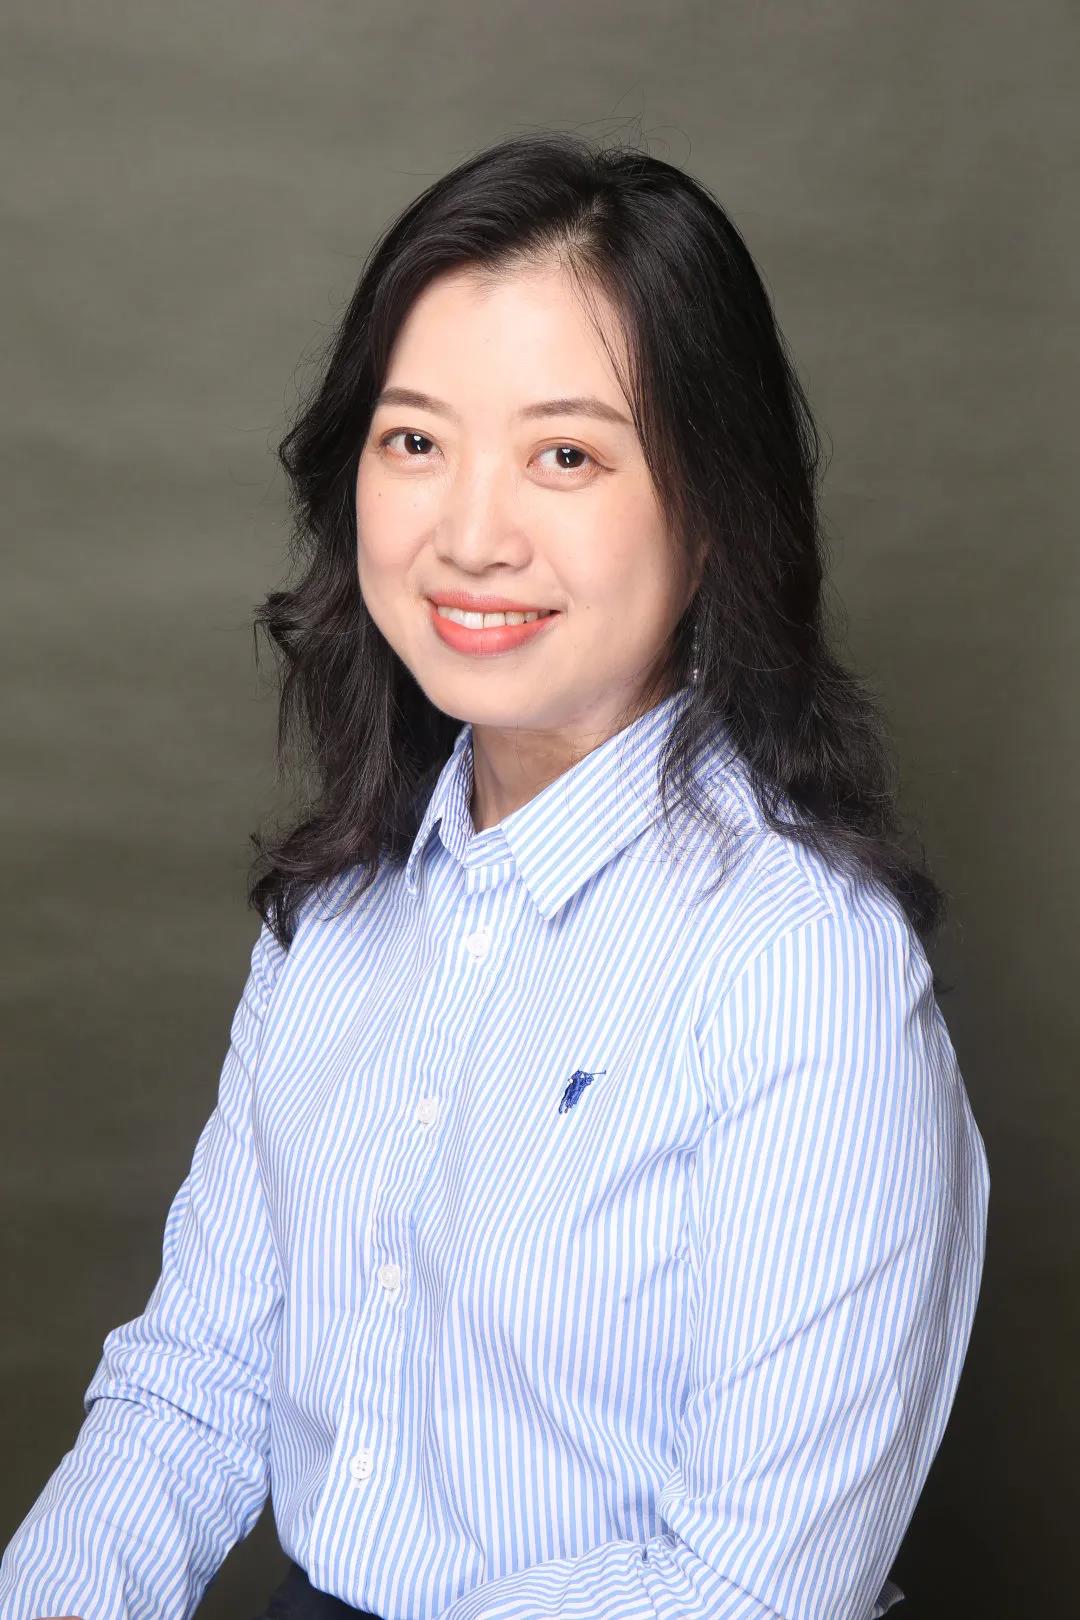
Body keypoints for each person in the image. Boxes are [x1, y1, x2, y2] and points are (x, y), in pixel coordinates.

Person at [0, 129, 990, 1620]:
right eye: (415, 442)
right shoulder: (341, 910)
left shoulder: (804, 966)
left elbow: (748, 1585)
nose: (469, 536)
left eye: (566, 455)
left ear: (714, 513)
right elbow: (194, 1387)